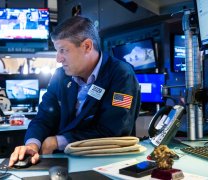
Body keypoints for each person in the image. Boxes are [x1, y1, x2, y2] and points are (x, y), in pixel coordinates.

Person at [8, 16, 140, 166]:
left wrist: (59, 141)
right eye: (57, 51)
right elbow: (44, 117)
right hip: (62, 162)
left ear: (87, 46)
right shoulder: (60, 76)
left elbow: (113, 130)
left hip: (104, 163)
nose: (58, 59)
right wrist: (32, 144)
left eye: (63, 50)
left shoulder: (121, 74)